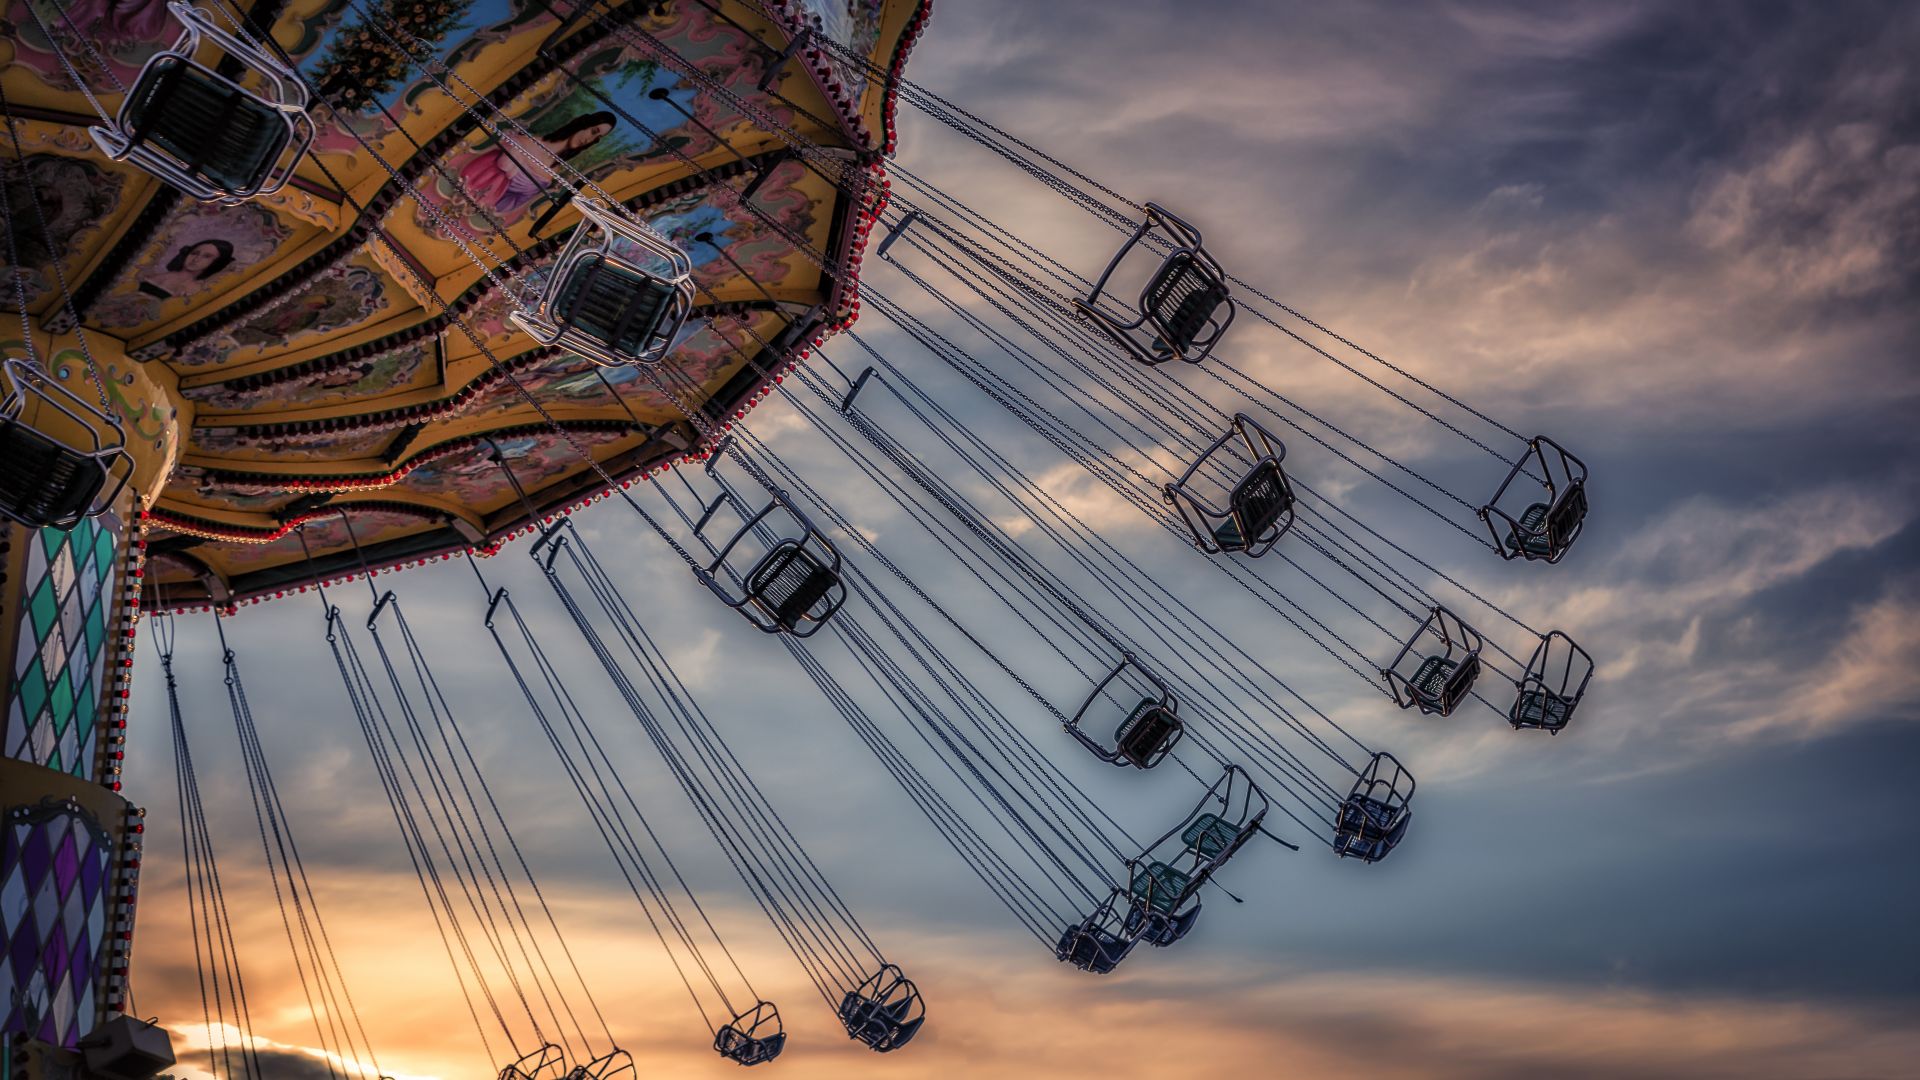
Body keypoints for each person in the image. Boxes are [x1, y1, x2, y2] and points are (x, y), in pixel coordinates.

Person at [457, 111, 618, 215]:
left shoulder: (553, 174)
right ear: (584, 124)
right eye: (593, 131)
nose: (589, 139)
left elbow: (513, 204)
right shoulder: (523, 142)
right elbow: (479, 171)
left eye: (596, 139)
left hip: (484, 210)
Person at [138, 238, 235, 299]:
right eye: (195, 253)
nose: (196, 259)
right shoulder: (158, 274)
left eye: (207, 256)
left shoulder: (196, 289)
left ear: (215, 263)